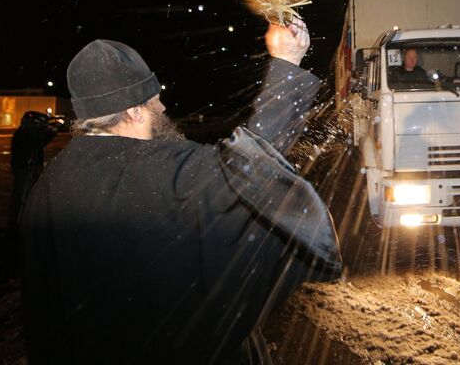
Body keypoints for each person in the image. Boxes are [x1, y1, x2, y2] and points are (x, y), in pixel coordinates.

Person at [20, 18, 341, 364]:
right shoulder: (161, 171)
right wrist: (286, 62)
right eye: (155, 100)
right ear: (133, 109)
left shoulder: (46, 190)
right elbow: (250, 170)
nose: (163, 108)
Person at [8, 111, 58, 272]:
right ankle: (17, 227)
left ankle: (21, 224)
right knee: (22, 197)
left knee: (28, 196)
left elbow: (40, 142)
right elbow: (36, 143)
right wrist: (50, 132)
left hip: (28, 169)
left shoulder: (26, 133)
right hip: (25, 170)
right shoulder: (25, 134)